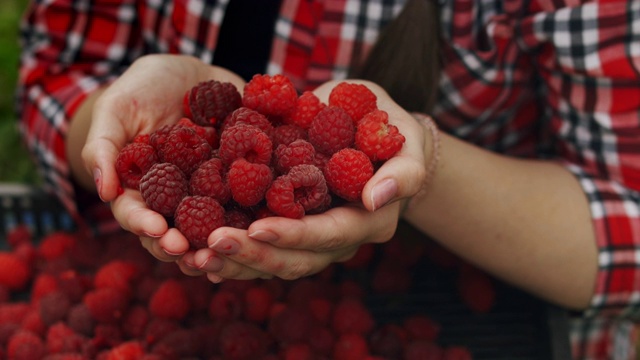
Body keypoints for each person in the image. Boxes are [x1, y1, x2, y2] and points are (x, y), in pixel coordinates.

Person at [15, 0, 640, 358]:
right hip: (162, 276)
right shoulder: (219, 159)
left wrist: (424, 167)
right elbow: (57, 75)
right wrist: (117, 132)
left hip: (443, 296)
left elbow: (626, 225)